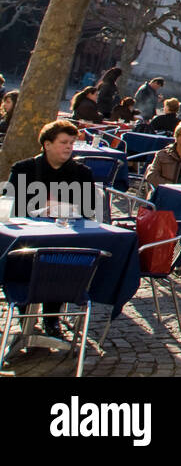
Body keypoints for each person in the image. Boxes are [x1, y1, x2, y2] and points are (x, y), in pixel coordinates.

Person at [7, 119, 99, 337]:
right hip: (28, 240)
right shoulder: (24, 169)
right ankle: (24, 313)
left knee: (64, 261)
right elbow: (10, 205)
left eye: (71, 143)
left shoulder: (81, 173)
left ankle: (52, 318)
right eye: (64, 142)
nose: (69, 147)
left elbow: (88, 210)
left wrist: (57, 207)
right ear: (47, 144)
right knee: (19, 261)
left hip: (65, 240)